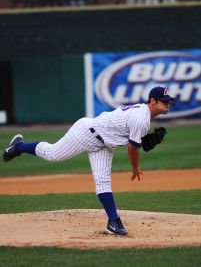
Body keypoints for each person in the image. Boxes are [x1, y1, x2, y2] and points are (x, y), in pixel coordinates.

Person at [2, 86, 175, 236]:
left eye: (168, 101)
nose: (167, 103)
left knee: (103, 181)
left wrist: (141, 140)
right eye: (163, 100)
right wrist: (135, 168)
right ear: (152, 101)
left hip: (104, 144)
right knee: (52, 153)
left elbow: (129, 137)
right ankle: (19, 146)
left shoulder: (142, 114)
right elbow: (132, 148)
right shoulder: (142, 119)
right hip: (87, 133)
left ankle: (113, 222)